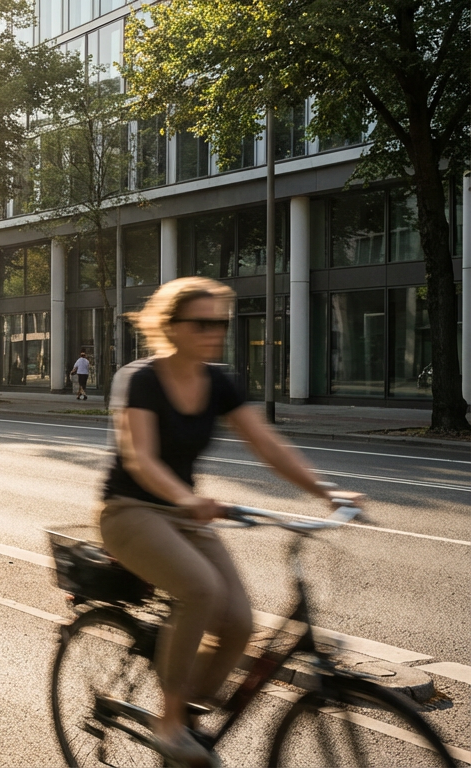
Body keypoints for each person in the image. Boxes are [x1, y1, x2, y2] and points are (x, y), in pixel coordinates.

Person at [99, 277, 361, 766]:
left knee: (240, 623)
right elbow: (139, 460)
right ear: (171, 327)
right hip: (130, 511)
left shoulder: (218, 381)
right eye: (202, 323)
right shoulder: (140, 379)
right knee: (201, 590)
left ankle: (186, 703)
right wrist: (185, 497)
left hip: (182, 514)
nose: (215, 332)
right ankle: (171, 721)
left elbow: (267, 445)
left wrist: (328, 492)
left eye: (221, 323)